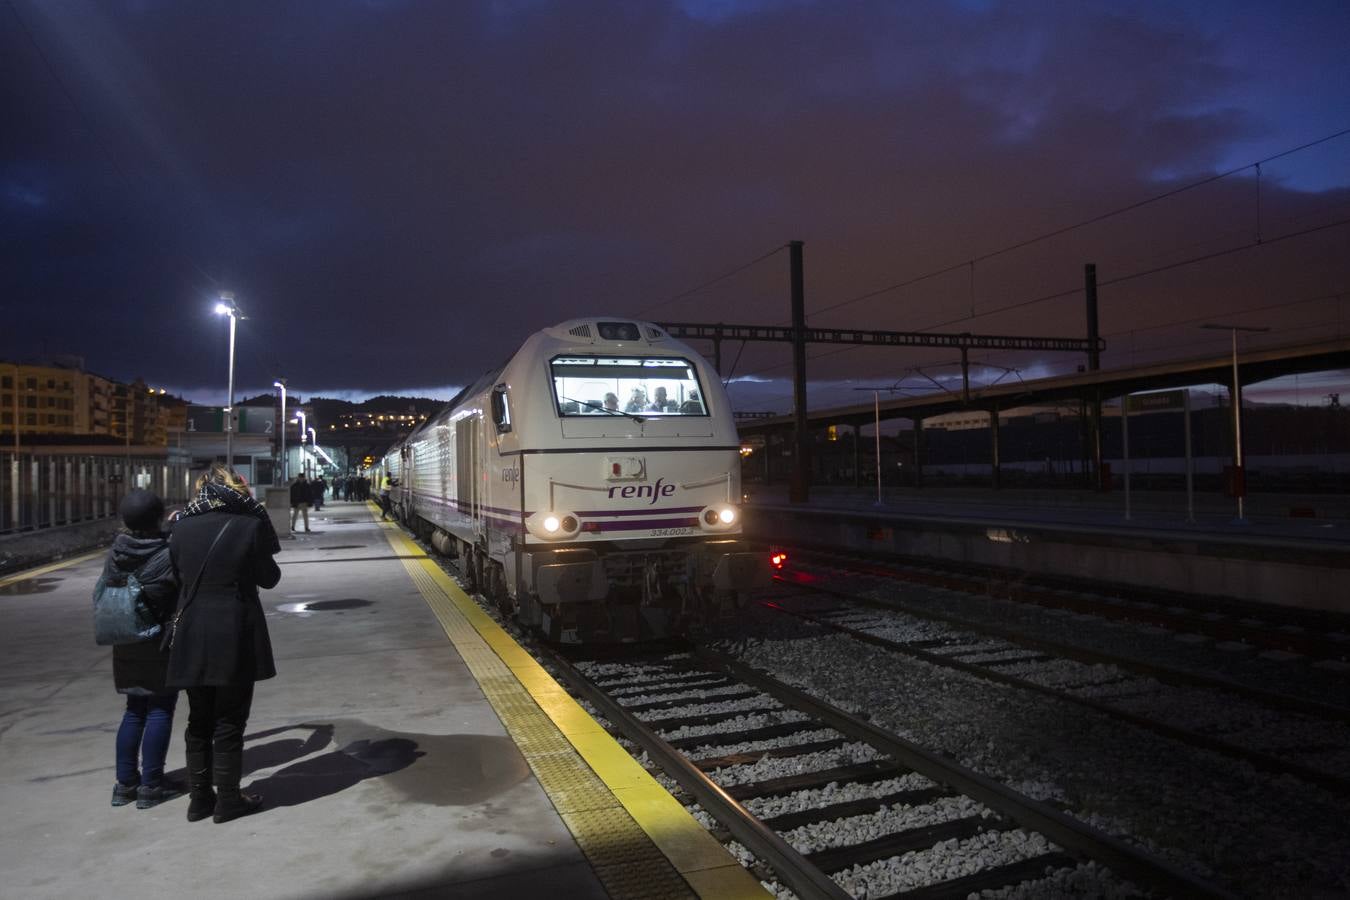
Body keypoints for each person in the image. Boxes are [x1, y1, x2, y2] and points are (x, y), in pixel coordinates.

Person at [167, 463, 281, 824]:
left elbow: (176, 576)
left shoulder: (181, 527)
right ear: (235, 491)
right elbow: (270, 578)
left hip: (192, 629)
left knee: (198, 719)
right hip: (232, 629)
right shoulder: (248, 526)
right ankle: (229, 799)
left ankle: (199, 800)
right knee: (229, 719)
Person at [103, 489, 182, 809]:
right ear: (158, 517)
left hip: (125, 638)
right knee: (160, 708)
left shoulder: (116, 551)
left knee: (134, 709)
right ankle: (152, 784)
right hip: (158, 640)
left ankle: (125, 784)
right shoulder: (167, 552)